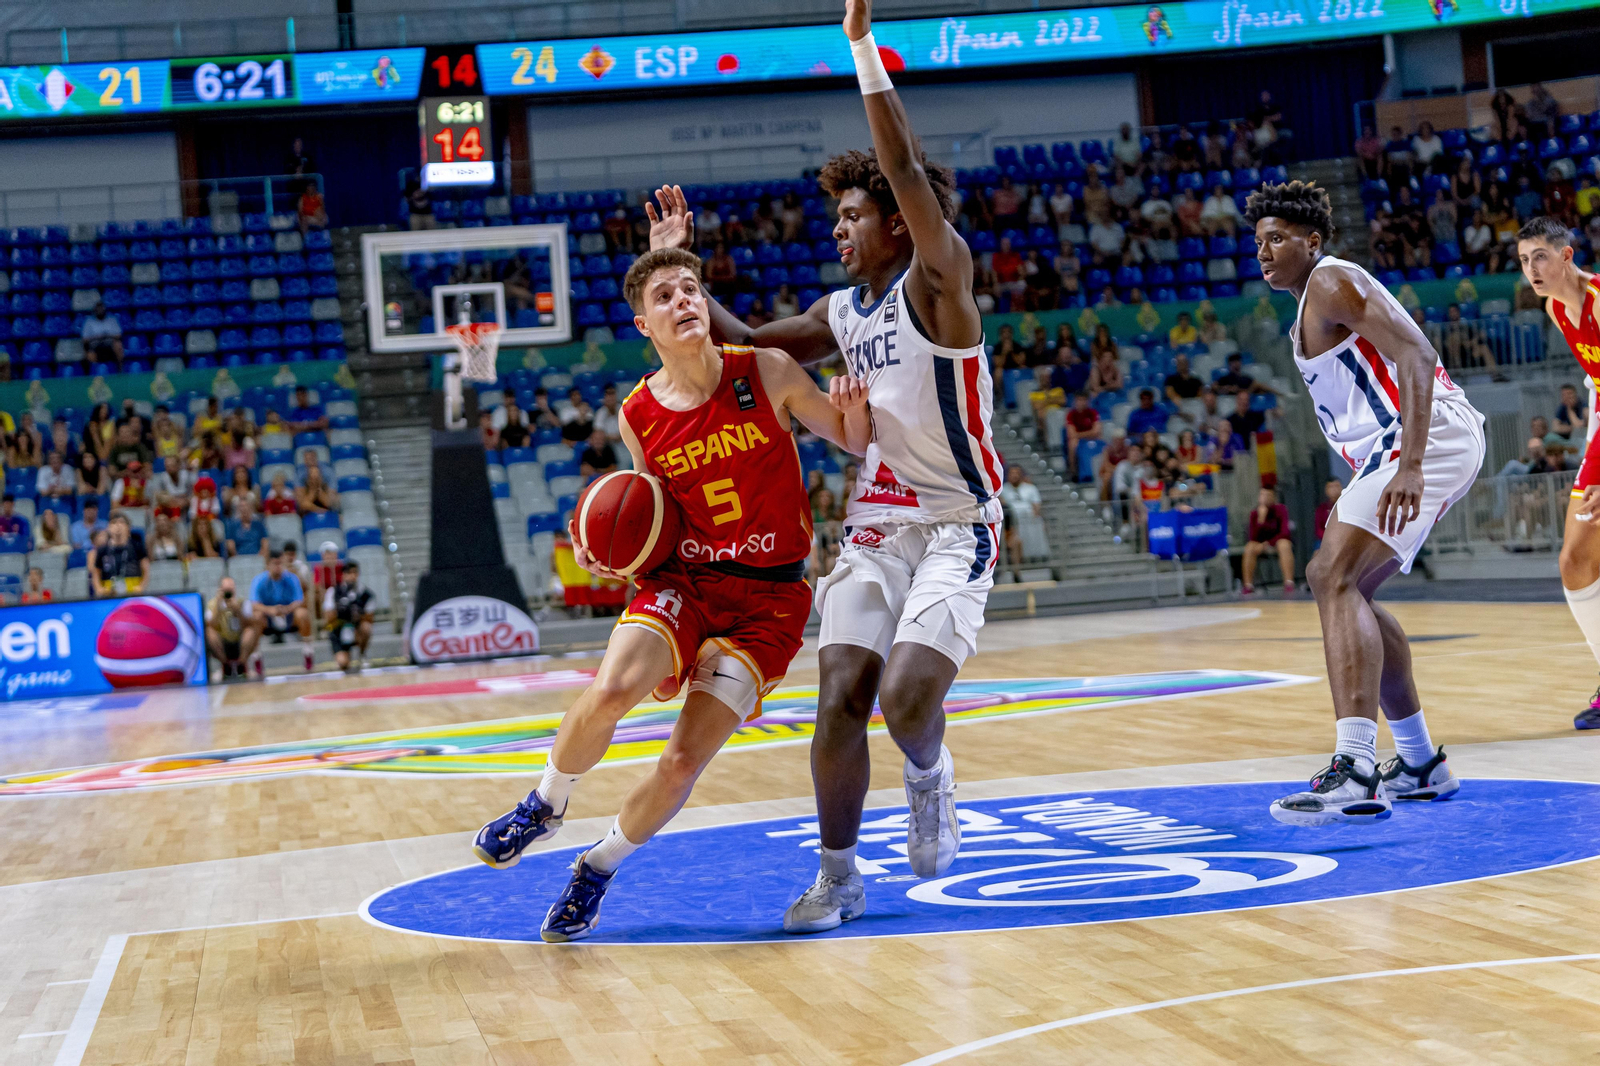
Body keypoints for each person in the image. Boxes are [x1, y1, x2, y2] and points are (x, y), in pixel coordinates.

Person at [645, 3, 1007, 934]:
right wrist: (683, 286)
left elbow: (905, 168)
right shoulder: (843, 311)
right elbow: (754, 351)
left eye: (853, 216)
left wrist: (858, 49)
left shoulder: (942, 282)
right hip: (879, 523)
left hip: (959, 523)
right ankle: (839, 877)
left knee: (906, 697)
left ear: (898, 222)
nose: (838, 230)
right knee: (841, 696)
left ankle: (929, 772)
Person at [471, 246, 871, 944]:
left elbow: (851, 440)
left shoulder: (766, 372)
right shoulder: (639, 414)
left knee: (683, 759)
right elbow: (648, 511)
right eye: (666, 296)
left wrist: (857, 414)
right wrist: (611, 554)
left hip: (768, 601)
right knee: (612, 691)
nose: (684, 301)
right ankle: (545, 802)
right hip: (684, 581)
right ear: (643, 325)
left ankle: (597, 867)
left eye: (692, 289)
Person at [1249, 180, 1484, 824]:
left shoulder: (1329, 281)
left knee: (1332, 574)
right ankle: (1417, 763)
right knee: (1348, 588)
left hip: (1423, 436)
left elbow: (1417, 353)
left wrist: (1409, 465)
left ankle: (1355, 768)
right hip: (1391, 448)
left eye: (1277, 239)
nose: (1264, 251)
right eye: (1259, 241)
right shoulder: (1309, 302)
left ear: (1312, 241)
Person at [1516, 217, 1600, 728]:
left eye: (1541, 257)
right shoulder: (1554, 309)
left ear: (1567, 257)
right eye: (1525, 260)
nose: (1532, 269)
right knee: (1574, 560)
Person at [247, 549, 315, 675]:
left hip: (288, 614)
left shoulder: (292, 578)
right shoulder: (259, 580)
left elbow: (299, 600)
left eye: (280, 564)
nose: (278, 567)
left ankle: (308, 652)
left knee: (303, 614)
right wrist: (270, 610)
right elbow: (254, 604)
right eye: (274, 564)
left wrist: (287, 609)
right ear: (268, 565)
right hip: (268, 616)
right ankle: (256, 657)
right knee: (256, 617)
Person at [1241, 487, 1296, 595]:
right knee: (1249, 547)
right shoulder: (1254, 514)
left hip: (1276, 542)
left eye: (1268, 495)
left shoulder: (1281, 510)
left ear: (1274, 498)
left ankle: (1289, 582)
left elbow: (1285, 532)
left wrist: (1268, 543)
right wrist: (1261, 519)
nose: (1264, 498)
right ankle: (1248, 585)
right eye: (1262, 495)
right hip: (1260, 544)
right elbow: (1252, 537)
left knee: (1284, 544)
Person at [324, 560, 374, 671]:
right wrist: (342, 611)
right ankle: (344, 655)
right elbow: (328, 618)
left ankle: (362, 654)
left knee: (366, 628)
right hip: (339, 629)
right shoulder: (333, 592)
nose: (352, 576)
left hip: (356, 629)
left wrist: (357, 616)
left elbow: (370, 618)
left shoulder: (365, 594)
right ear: (343, 575)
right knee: (343, 663)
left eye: (354, 573)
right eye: (348, 573)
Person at [90, 513, 148, 596]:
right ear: (108, 528)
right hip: (109, 591)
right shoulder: (102, 550)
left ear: (128, 527)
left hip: (133, 589)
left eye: (121, 522)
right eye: (114, 523)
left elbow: (146, 570)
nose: (118, 526)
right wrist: (99, 589)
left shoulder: (137, 546)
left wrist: (141, 587)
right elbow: (96, 572)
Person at [206, 577, 251, 679]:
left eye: (230, 589)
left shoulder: (242, 602)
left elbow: (248, 624)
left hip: (240, 641)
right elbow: (211, 625)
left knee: (250, 631)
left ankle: (241, 665)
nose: (228, 593)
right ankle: (226, 665)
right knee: (209, 631)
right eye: (226, 590)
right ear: (220, 590)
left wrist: (237, 611)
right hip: (222, 642)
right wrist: (218, 607)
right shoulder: (212, 604)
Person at [1064, 391, 1100, 477]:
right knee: (1073, 444)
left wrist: (1081, 434)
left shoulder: (1093, 413)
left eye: (1084, 400)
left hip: (1090, 438)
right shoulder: (1071, 414)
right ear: (1075, 401)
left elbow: (1097, 431)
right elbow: (1072, 434)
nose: (1082, 403)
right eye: (1079, 400)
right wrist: (1089, 434)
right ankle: (1073, 471)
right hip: (1078, 440)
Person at [81, 302, 123, 367]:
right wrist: (97, 337)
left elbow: (118, 335)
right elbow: (85, 339)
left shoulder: (112, 320)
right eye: (98, 310)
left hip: (109, 343)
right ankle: (94, 371)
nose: (100, 311)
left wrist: (106, 336)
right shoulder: (89, 322)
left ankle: (120, 370)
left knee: (118, 345)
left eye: (101, 309)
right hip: (95, 344)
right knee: (87, 350)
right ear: (95, 310)